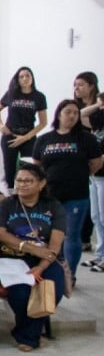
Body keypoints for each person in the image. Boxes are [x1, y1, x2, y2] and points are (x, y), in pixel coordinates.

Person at [0, 162, 66, 351]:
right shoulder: (6, 204)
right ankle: (30, 337)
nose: (22, 184)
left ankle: (25, 334)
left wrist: (40, 267)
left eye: (28, 181)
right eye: (19, 180)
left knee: (52, 291)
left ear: (41, 184)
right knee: (21, 294)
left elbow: (55, 244)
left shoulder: (54, 206)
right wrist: (30, 248)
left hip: (46, 260)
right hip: (13, 259)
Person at [33, 99, 104, 281]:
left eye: (75, 113)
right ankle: (47, 269)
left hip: (76, 195)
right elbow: (37, 165)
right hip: (49, 195)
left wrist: (78, 174)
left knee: (71, 235)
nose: (72, 116)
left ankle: (68, 275)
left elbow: (96, 163)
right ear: (59, 114)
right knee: (46, 235)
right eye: (68, 112)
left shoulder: (86, 139)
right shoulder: (44, 139)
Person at [0, 66, 48, 189]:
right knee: (9, 168)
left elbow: (43, 122)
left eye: (28, 75)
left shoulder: (39, 97)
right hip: (10, 135)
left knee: (30, 168)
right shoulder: (11, 94)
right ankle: (11, 194)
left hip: (28, 136)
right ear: (17, 80)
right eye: (21, 76)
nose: (25, 78)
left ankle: (29, 192)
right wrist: (0, 124)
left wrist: (25, 138)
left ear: (32, 78)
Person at [75, 72, 104, 271]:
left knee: (103, 216)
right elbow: (82, 114)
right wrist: (100, 104)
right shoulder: (99, 116)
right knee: (96, 217)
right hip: (95, 174)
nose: (76, 88)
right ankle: (100, 254)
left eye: (81, 85)